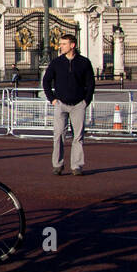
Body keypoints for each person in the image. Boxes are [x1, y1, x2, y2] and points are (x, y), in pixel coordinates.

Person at [41, 33, 95, 176]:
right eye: (61, 44)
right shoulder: (56, 63)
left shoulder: (84, 62)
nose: (61, 46)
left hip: (78, 105)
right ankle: (57, 164)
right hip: (61, 103)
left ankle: (76, 166)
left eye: (64, 44)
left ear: (72, 45)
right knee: (58, 135)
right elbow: (46, 81)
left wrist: (86, 101)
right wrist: (52, 99)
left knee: (78, 137)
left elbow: (91, 84)